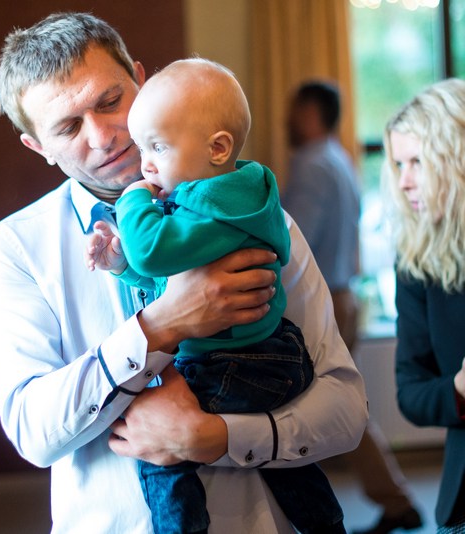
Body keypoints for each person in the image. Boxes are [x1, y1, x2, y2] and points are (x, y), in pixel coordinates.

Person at [0, 12, 367, 533]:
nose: (103, 136)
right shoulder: (12, 251)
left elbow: (347, 411)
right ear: (38, 146)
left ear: (142, 81)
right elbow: (33, 433)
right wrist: (162, 326)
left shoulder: (257, 220)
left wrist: (217, 439)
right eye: (68, 127)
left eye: (110, 101)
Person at [85, 58, 343, 534]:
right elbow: (167, 277)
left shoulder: (212, 205)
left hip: (231, 363)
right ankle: (324, 523)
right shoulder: (239, 196)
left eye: (158, 147)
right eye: (143, 148)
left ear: (218, 148)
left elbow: (152, 251)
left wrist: (133, 199)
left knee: (157, 447)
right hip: (274, 354)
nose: (146, 164)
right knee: (287, 467)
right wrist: (120, 265)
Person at [282, 80, 423, 534]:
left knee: (336, 406)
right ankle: (394, 499)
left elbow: (289, 242)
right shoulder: (340, 159)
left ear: (311, 113)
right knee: (338, 402)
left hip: (318, 303)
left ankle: (395, 500)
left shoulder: (311, 164)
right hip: (345, 295)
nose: (287, 119)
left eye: (294, 110)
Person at [381, 77, 465, 532]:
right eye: (399, 164)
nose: (405, 181)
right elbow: (411, 393)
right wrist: (460, 389)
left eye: (418, 162)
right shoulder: (416, 261)